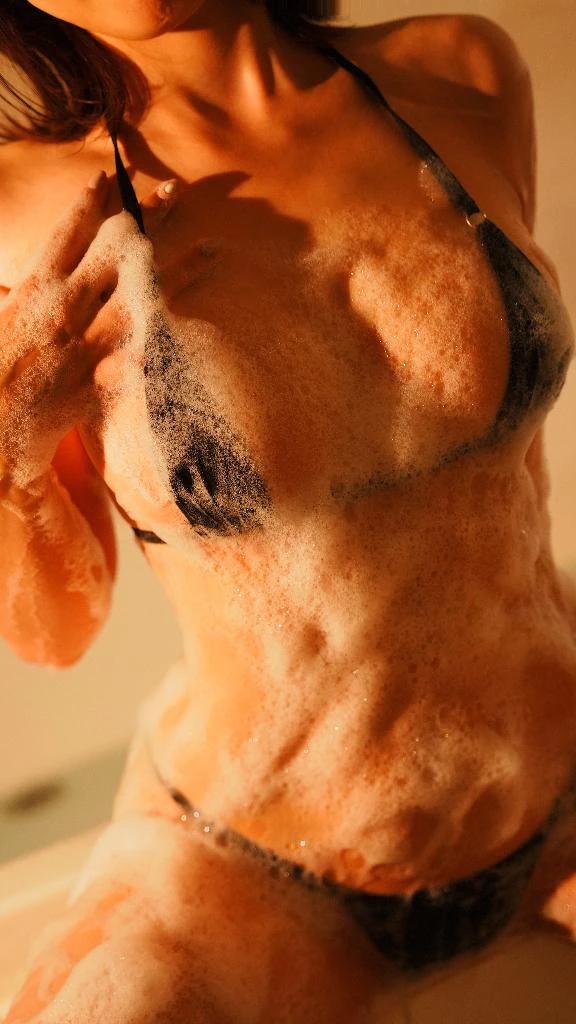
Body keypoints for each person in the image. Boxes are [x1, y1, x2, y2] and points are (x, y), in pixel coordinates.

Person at [1, 0, 575, 1019]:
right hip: (252, 871)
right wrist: (9, 450)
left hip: (560, 782)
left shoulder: (460, 73)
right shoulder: (17, 213)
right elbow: (56, 632)